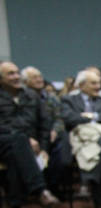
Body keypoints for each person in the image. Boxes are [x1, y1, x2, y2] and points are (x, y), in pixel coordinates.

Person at [0, 61, 61, 208]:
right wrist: (26, 138)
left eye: (17, 72)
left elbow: (44, 124)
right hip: (2, 142)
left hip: (23, 148)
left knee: (15, 158)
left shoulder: (32, 96)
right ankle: (41, 190)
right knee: (18, 140)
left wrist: (43, 148)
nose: (16, 77)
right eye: (10, 74)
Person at [62, 69, 101, 208]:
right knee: (98, 146)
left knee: (99, 144)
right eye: (93, 83)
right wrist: (94, 120)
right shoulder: (69, 99)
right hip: (79, 138)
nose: (98, 86)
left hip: (100, 137)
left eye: (99, 83)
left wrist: (90, 116)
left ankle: (88, 179)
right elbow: (69, 119)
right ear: (81, 85)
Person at [21, 66, 70, 197]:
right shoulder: (21, 99)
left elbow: (59, 118)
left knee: (61, 145)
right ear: (25, 82)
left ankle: (53, 186)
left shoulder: (51, 98)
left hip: (50, 134)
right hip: (29, 137)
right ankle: (36, 189)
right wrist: (29, 137)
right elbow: (19, 122)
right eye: (34, 77)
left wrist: (55, 130)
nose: (39, 79)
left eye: (40, 76)